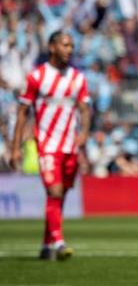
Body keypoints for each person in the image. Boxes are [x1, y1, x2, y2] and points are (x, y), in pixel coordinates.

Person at [10, 31, 91, 261]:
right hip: (46, 144)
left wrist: (84, 132)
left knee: (60, 195)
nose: (70, 50)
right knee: (54, 191)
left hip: (69, 145)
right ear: (52, 47)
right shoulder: (37, 77)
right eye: (65, 45)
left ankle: (47, 245)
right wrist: (16, 147)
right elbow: (23, 111)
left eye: (72, 46)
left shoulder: (77, 78)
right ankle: (59, 242)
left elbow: (85, 108)